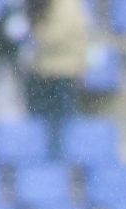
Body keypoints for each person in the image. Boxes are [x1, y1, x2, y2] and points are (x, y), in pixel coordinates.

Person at [23, 0, 89, 160]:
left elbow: (56, 35)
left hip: (63, 73)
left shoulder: (68, 5)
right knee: (39, 123)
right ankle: (41, 162)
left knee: (61, 123)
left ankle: (60, 164)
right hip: (42, 72)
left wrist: (33, 34)